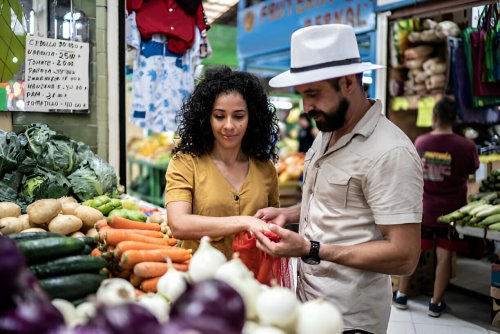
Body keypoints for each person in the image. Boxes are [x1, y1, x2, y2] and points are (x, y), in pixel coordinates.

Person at [252, 24, 424, 334]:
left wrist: (311, 248)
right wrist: (291, 214)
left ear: (347, 82)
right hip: (308, 306)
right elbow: (337, 202)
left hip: (350, 321)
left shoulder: (389, 153)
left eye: (314, 94)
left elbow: (404, 256)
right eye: (302, 95)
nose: (306, 107)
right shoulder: (327, 131)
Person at [164, 66, 280, 260]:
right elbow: (178, 224)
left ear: (252, 117)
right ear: (206, 118)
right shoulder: (185, 163)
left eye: (238, 116)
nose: (229, 125)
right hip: (201, 279)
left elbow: (274, 223)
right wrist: (244, 222)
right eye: (219, 116)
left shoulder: (265, 168)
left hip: (254, 281)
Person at [393, 97, 479, 317]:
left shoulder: (421, 143)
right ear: (455, 119)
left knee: (415, 251)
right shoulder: (466, 146)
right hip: (450, 211)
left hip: (423, 209)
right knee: (444, 256)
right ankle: (435, 303)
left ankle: (401, 295)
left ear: (434, 117)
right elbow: (472, 170)